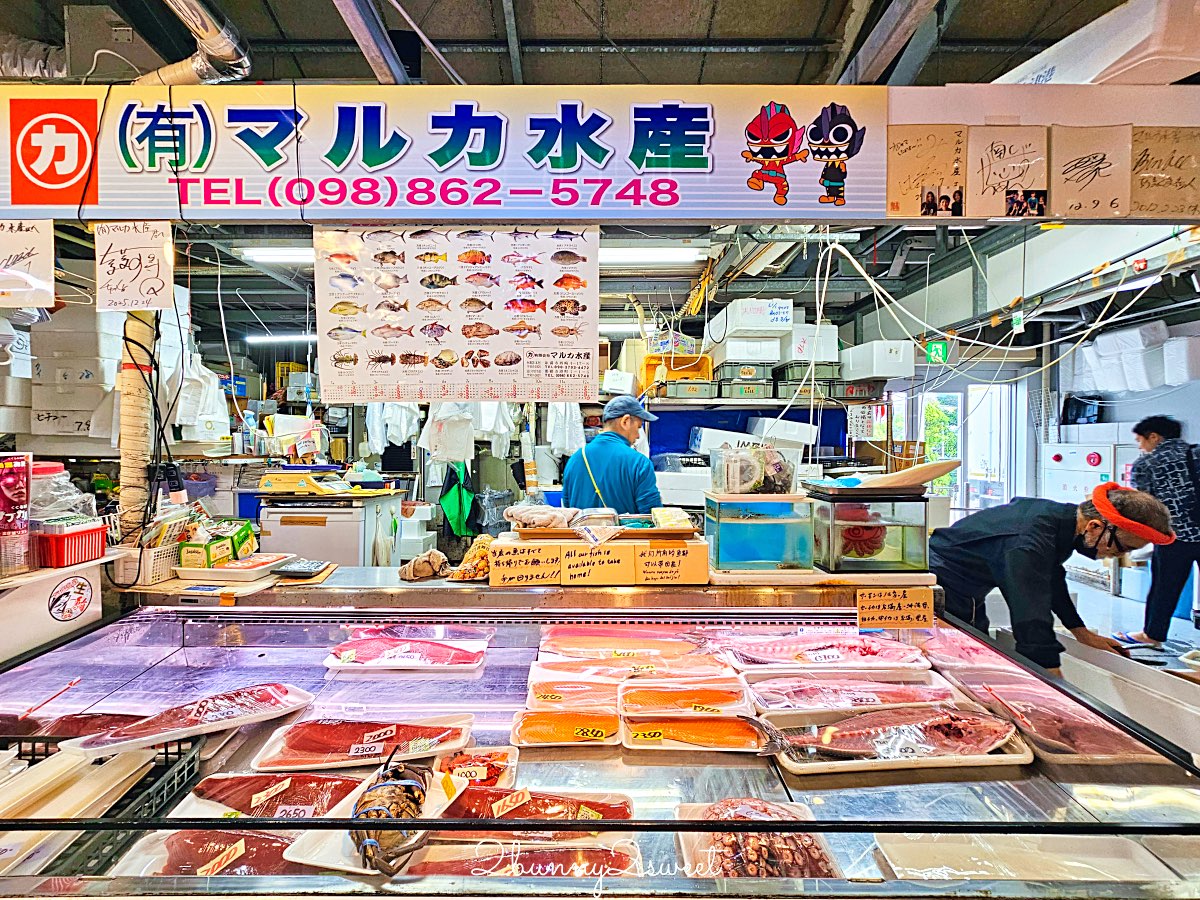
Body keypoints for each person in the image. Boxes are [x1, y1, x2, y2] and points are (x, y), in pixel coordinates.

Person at [929, 483, 1174, 675]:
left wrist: (1080, 631)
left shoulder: (1059, 520)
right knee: (960, 660)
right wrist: (1050, 675)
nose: (1119, 555)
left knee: (975, 655)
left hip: (966, 584)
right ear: (1095, 526)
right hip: (947, 582)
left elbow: (1051, 578)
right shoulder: (1029, 542)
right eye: (1123, 546)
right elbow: (1029, 611)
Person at [1120, 416, 1200, 646]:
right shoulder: (1197, 453)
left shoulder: (1146, 464)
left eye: (1140, 441)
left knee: (1164, 588)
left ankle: (1152, 636)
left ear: (1154, 436)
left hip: (1173, 538)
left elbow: (1145, 506)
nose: (1140, 447)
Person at [561, 395, 662, 515]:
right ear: (625, 421)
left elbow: (567, 509)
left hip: (581, 533)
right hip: (628, 534)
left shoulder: (574, 459)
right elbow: (653, 516)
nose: (638, 436)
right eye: (638, 427)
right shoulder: (639, 463)